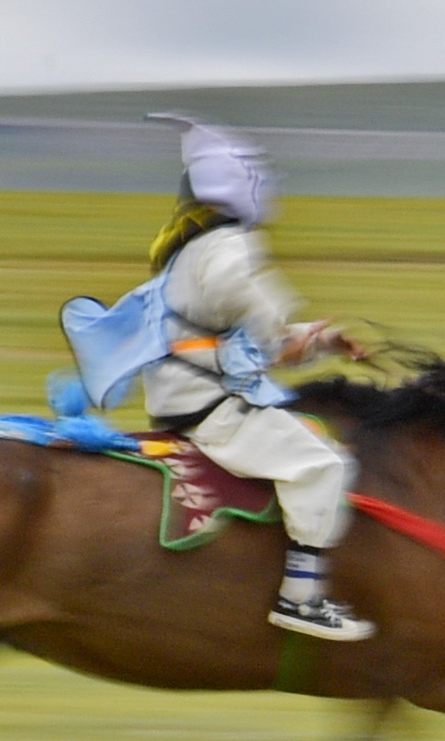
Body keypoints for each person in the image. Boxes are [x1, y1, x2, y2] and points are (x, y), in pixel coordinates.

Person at [54, 118, 379, 641]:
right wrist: (287, 330)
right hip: (213, 407)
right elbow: (258, 327)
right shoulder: (229, 245)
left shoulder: (190, 250)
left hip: (186, 399)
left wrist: (316, 341)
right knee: (321, 465)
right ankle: (302, 598)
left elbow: (237, 339)